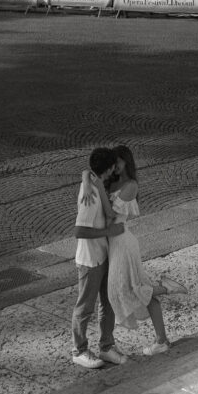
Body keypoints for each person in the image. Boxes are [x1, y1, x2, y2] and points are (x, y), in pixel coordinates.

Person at [82, 145, 186, 356]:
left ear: (126, 162)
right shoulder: (112, 180)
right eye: (113, 164)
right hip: (112, 244)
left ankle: (166, 289)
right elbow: (87, 171)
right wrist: (86, 183)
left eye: (119, 163)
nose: (115, 167)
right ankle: (162, 340)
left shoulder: (131, 185)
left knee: (123, 289)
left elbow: (111, 215)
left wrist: (100, 188)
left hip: (123, 243)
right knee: (138, 289)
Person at [72, 146, 128, 369]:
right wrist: (108, 232)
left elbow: (86, 172)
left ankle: (106, 347)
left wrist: (87, 178)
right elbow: (79, 231)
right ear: (109, 169)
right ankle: (79, 351)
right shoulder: (90, 196)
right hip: (90, 260)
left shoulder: (95, 183)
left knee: (108, 302)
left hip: (103, 254)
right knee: (85, 307)